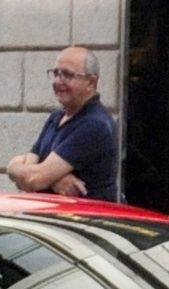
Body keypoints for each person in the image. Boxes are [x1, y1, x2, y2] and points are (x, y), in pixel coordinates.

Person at [6, 46, 118, 201]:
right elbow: (29, 174)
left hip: (82, 222)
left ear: (91, 82)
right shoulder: (56, 117)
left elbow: (33, 179)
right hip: (51, 219)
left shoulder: (95, 124)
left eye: (67, 74)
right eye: (56, 73)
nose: (58, 81)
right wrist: (53, 179)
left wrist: (42, 177)